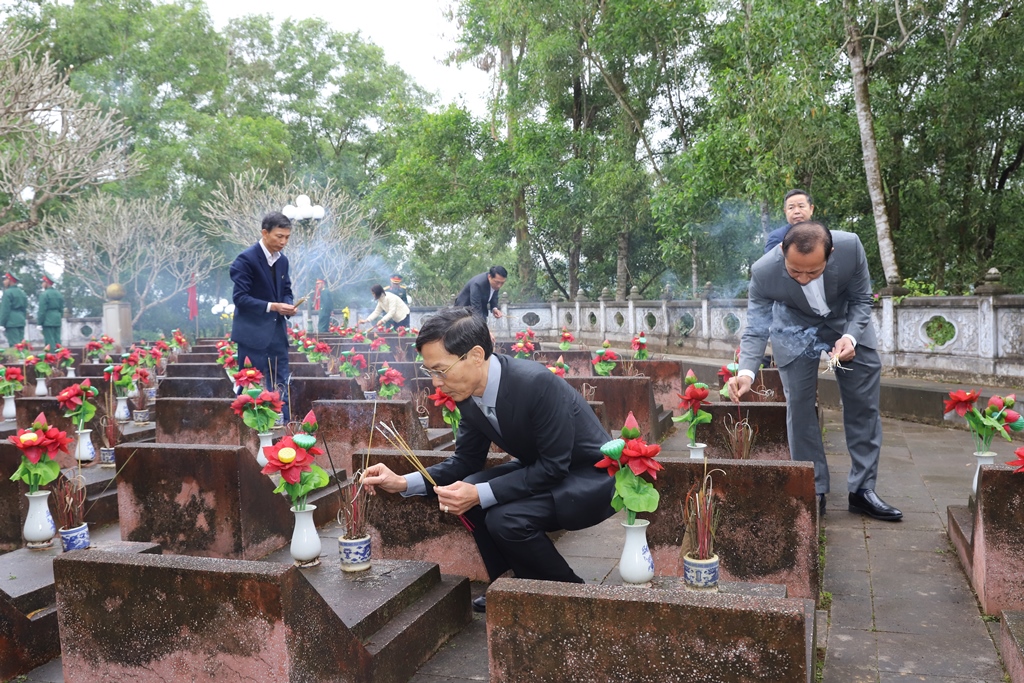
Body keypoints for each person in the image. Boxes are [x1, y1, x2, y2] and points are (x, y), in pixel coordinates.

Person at [360, 307, 615, 612]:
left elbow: (554, 466)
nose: (436, 383)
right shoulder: (468, 395)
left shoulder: (536, 384)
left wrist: (479, 493)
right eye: (430, 372)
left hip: (590, 477)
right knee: (468, 488)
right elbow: (466, 461)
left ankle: (571, 594)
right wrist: (402, 482)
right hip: (542, 469)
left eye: (441, 370)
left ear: (476, 356)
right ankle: (510, 583)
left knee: (504, 517)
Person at [726, 221, 902, 522]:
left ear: (830, 254)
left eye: (813, 272)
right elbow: (756, 328)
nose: (805, 279)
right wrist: (746, 373)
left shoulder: (850, 248)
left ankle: (862, 490)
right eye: (795, 272)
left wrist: (851, 337)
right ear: (782, 252)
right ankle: (814, 487)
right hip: (793, 329)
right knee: (799, 406)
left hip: (845, 324)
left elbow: (862, 299)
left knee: (864, 405)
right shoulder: (764, 271)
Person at [229, 212, 296, 420]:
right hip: (253, 336)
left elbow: (286, 290)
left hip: (277, 335)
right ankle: (249, 431)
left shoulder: (283, 261)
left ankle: (283, 426)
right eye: (279, 236)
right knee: (251, 389)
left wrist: (288, 304)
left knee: (281, 384)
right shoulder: (246, 260)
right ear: (264, 233)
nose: (283, 242)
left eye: (287, 237)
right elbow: (240, 298)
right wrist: (273, 306)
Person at [764, 189, 815, 253]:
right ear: (785, 212)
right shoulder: (777, 237)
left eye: (801, 206)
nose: (797, 211)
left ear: (811, 209)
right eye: (791, 208)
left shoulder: (822, 234)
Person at [0, 272, 28, 346]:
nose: (4, 282)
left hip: (11, 321)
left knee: (14, 345)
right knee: (22, 344)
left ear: (10, 280)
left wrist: (2, 323)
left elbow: (5, 309)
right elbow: (25, 308)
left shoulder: (7, 292)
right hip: (21, 320)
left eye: (5, 279)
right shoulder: (22, 293)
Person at [37, 275, 64, 349]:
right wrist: (59, 317)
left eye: (43, 282)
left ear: (47, 282)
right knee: (57, 340)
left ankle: (51, 355)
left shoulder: (44, 294)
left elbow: (42, 310)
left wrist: (39, 322)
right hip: (57, 318)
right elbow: (61, 309)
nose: (42, 284)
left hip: (48, 319)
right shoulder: (59, 294)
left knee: (49, 341)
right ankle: (60, 354)